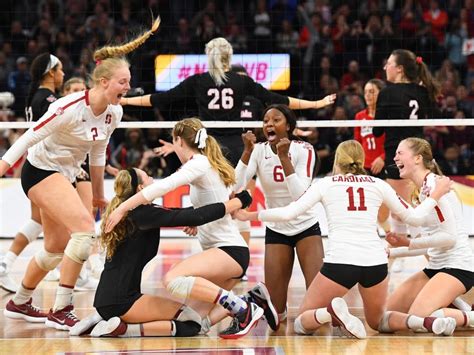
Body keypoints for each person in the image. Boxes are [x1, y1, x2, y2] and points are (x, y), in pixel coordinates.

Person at [0, 17, 160, 330]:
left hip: (67, 174)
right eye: (122, 83)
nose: (127, 89)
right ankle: (62, 307)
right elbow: (31, 135)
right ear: (103, 82)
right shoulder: (69, 106)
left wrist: (100, 192)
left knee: (54, 248)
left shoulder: (115, 111)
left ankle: (19, 301)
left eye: (128, 83)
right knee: (85, 230)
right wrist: (4, 164)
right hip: (40, 170)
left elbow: (98, 151)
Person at [234, 140, 456, 338]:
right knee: (378, 321)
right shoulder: (378, 184)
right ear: (361, 161)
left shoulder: (326, 184)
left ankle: (328, 313)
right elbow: (415, 218)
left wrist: (249, 215)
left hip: (341, 262)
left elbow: (288, 213)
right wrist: (435, 195)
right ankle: (427, 322)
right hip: (375, 263)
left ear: (337, 162)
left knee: (302, 322)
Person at [104, 118, 274, 339]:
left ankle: (242, 309)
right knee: (194, 321)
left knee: (172, 279)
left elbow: (166, 185)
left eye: (174, 143)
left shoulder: (198, 163)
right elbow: (223, 194)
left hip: (228, 249)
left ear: (178, 141)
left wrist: (123, 207)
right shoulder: (209, 163)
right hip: (225, 251)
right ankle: (253, 299)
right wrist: (197, 217)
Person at [71, 168, 253, 337]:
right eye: (148, 177)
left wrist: (211, 210)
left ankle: (102, 319)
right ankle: (123, 329)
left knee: (188, 316)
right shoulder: (141, 213)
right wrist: (239, 201)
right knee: (192, 322)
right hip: (122, 301)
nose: (152, 179)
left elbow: (187, 213)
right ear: (141, 187)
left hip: (112, 298)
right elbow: (195, 215)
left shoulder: (136, 213)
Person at [121, 37, 336, 168]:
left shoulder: (198, 81)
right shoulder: (241, 81)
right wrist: (315, 104)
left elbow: (159, 100)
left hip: (208, 145)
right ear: (229, 57)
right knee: (239, 197)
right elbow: (280, 100)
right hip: (236, 144)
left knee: (210, 195)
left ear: (208, 56)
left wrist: (126, 100)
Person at [234, 104, 324, 329]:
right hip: (277, 229)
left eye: (276, 120)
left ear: (289, 126)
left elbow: (300, 195)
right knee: (276, 313)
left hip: (305, 226)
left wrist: (284, 158)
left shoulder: (304, 149)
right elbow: (237, 185)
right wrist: (246, 151)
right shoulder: (258, 150)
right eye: (266, 121)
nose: (269, 124)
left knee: (317, 304)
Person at [385, 137, 474, 330]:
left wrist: (406, 244)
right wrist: (392, 252)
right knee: (389, 314)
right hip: (436, 267)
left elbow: (449, 239)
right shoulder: (420, 191)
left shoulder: (435, 186)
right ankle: (454, 308)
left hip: (457, 266)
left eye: (400, 153)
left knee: (418, 315)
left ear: (417, 158)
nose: (394, 157)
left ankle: (469, 316)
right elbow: (424, 245)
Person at [0, 53, 64, 293]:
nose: (63, 74)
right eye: (60, 70)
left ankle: (5, 263)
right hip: (47, 166)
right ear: (51, 72)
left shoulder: (35, 96)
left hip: (36, 164)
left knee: (38, 222)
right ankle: (66, 273)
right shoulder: (47, 98)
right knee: (63, 227)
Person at [373, 49, 441, 235]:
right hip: (420, 156)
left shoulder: (387, 93)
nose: (386, 67)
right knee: (410, 211)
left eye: (389, 64)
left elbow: (377, 132)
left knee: (407, 214)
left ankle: (428, 258)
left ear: (400, 69)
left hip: (398, 158)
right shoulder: (423, 91)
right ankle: (398, 258)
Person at [354, 78, 389, 231]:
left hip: (384, 165)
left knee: (383, 211)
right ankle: (375, 238)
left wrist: (382, 158)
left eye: (372, 92)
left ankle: (390, 234)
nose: (367, 95)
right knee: (367, 210)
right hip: (365, 168)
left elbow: (393, 142)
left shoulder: (387, 115)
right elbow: (357, 143)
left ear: (381, 94)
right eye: (366, 92)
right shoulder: (359, 116)